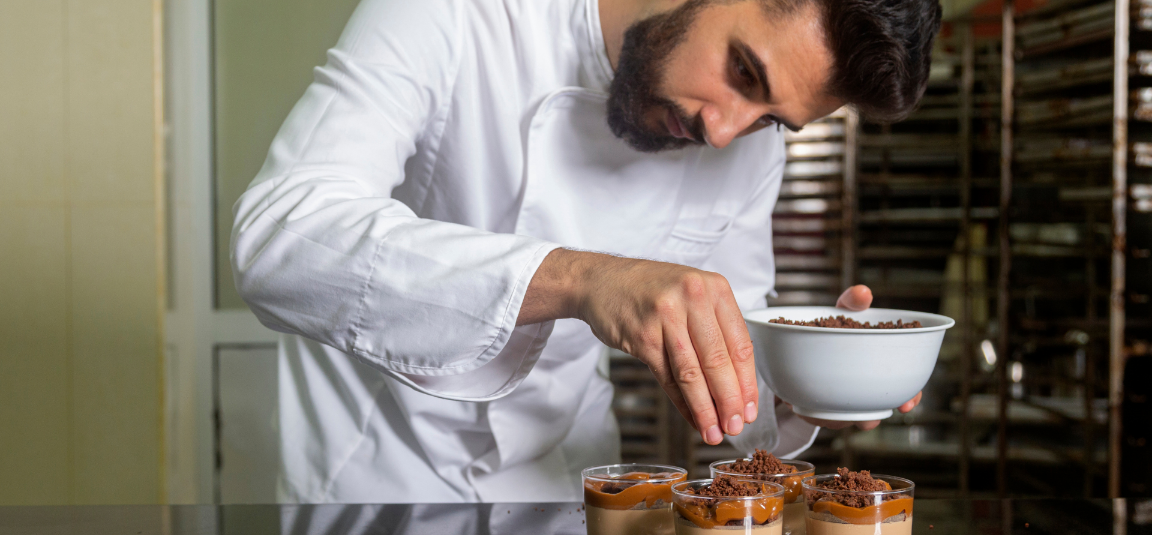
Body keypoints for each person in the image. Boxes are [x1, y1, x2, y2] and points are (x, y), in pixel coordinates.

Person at [232, 0, 941, 502]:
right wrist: (584, 280)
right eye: (744, 73)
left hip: (565, 483)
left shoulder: (746, 156)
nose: (725, 132)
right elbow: (280, 237)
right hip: (378, 481)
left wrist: (808, 380)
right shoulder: (458, 14)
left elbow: (735, 358)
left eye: (770, 120)